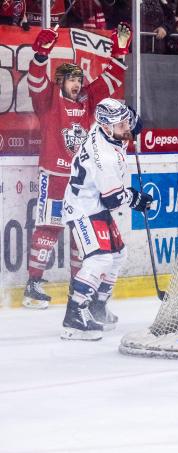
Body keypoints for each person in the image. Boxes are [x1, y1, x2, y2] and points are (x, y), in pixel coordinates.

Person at [23, 22, 130, 310]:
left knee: (80, 233)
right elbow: (35, 81)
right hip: (55, 175)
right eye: (71, 80)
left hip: (81, 182)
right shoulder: (48, 100)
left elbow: (110, 80)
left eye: (79, 79)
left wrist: (119, 50)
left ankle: (77, 285)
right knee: (48, 226)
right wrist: (41, 56)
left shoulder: (88, 101)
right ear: (60, 82)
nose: (77, 84)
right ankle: (32, 285)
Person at [61, 98, 151, 340]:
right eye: (122, 126)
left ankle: (97, 306)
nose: (127, 129)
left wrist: (130, 122)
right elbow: (114, 200)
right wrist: (136, 199)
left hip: (95, 205)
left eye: (126, 124)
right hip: (82, 209)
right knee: (100, 259)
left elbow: (125, 119)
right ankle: (74, 316)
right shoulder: (105, 158)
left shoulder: (105, 129)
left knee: (117, 254)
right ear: (107, 126)